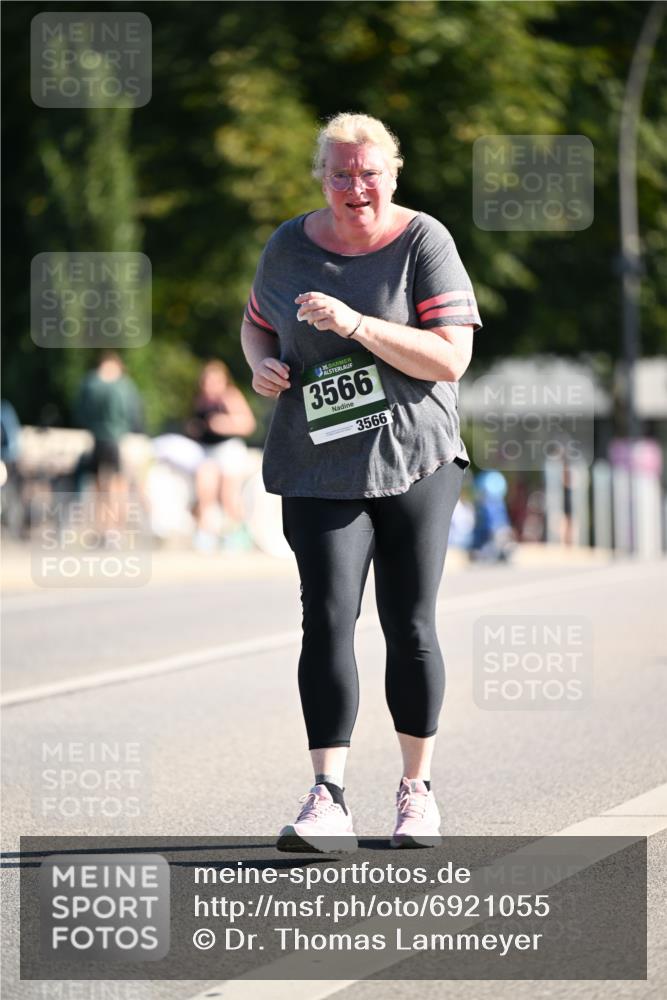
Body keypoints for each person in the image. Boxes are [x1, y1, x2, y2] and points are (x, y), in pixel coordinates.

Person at [241, 112, 482, 852]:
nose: (355, 187)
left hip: (414, 457)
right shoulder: (288, 245)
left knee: (408, 624)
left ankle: (416, 793)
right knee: (328, 619)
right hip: (316, 464)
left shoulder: (421, 242)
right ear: (322, 175)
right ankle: (328, 797)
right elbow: (256, 321)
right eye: (341, 173)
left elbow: (449, 359)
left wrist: (355, 324)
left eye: (368, 172)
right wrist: (260, 364)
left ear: (393, 173)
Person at [184, 360, 256, 551]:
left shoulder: (230, 397)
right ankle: (206, 532)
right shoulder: (201, 400)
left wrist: (226, 424)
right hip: (207, 451)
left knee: (228, 495)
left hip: (229, 449)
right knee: (204, 490)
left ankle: (237, 532)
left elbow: (248, 424)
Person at [73, 351, 144, 541]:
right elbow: (133, 413)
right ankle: (113, 529)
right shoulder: (123, 385)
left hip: (98, 439)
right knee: (115, 484)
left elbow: (81, 411)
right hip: (116, 439)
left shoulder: (90, 383)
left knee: (101, 485)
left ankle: (104, 528)